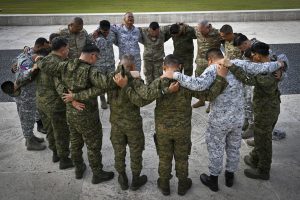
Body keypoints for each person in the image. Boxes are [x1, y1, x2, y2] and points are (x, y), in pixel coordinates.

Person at [162, 48, 284, 192]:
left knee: (216, 149)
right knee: (233, 147)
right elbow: (261, 67)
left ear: (209, 60)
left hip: (219, 121)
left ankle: (213, 180)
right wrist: (279, 64)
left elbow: (197, 84)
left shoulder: (213, 69)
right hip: (238, 119)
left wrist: (174, 74)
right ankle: (229, 177)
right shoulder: (237, 63)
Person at [37, 43, 115, 184]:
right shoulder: (91, 71)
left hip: (71, 113)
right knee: (93, 145)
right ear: (92, 55)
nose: (96, 60)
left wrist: (69, 98)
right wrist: (77, 97)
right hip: (87, 115)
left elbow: (58, 82)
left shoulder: (65, 65)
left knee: (75, 142)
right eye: (96, 58)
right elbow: (106, 85)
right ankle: (97, 173)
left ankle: (78, 169)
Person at [152, 54, 228, 196]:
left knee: (164, 158)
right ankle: (182, 186)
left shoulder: (158, 83)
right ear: (180, 68)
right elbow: (209, 96)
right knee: (182, 158)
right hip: (182, 130)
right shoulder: (187, 84)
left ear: (164, 68)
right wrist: (220, 77)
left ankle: (164, 185)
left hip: (163, 130)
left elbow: (145, 95)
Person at [224, 42, 286, 180]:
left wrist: (231, 66)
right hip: (267, 108)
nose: (252, 56)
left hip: (266, 111)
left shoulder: (267, 73)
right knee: (260, 136)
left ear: (259, 55)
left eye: (254, 54)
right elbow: (282, 62)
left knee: (264, 140)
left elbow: (247, 79)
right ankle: (254, 159)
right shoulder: (272, 65)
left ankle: (263, 170)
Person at [35, 36, 73, 169]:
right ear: (62, 49)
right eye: (67, 48)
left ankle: (55, 153)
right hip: (55, 105)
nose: (68, 50)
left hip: (41, 103)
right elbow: (62, 86)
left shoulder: (43, 59)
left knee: (50, 130)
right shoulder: (59, 64)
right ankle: (64, 159)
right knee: (61, 132)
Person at [13, 37, 50, 151]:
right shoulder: (27, 60)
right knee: (26, 118)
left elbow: (14, 65)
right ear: (40, 46)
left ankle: (31, 137)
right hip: (25, 95)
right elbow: (20, 75)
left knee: (30, 117)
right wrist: (32, 69)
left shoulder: (28, 52)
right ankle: (29, 142)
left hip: (31, 94)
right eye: (45, 46)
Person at [193, 20, 222, 109]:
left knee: (212, 83)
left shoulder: (218, 34)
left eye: (202, 31)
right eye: (199, 31)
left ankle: (211, 103)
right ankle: (201, 100)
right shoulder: (197, 30)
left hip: (212, 64)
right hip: (200, 62)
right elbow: (186, 28)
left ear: (208, 27)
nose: (201, 33)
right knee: (199, 81)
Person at [93, 20, 117, 109]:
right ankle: (102, 99)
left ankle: (110, 98)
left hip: (110, 63)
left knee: (111, 81)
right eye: (104, 32)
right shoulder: (94, 35)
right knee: (101, 83)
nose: (106, 33)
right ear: (100, 29)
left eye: (107, 31)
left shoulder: (112, 32)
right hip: (99, 64)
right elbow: (89, 44)